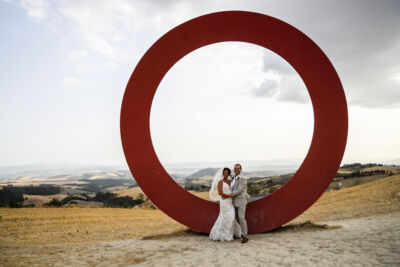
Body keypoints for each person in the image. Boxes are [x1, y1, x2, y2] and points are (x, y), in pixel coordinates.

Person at [209, 167, 242, 241]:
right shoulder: (220, 182)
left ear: (229, 174)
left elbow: (234, 190)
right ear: (223, 173)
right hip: (224, 202)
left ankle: (229, 233)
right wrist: (229, 196)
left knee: (232, 217)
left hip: (230, 201)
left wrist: (230, 196)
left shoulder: (231, 181)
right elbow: (220, 193)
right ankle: (222, 234)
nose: (225, 174)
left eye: (227, 172)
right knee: (224, 217)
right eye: (224, 172)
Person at [230, 163, 250, 243]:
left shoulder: (243, 178)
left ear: (241, 169)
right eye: (235, 168)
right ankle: (238, 233)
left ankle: (245, 236)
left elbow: (239, 190)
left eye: (238, 168)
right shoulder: (233, 178)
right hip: (234, 201)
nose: (236, 170)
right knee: (235, 218)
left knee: (241, 218)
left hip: (241, 200)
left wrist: (228, 194)